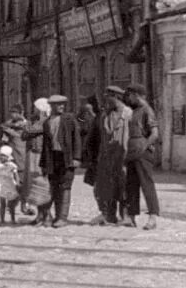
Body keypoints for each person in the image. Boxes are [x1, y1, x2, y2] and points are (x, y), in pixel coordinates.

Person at [88, 85, 131, 225]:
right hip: (106, 157)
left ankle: (126, 216)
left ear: (116, 97)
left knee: (124, 187)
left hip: (123, 156)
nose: (106, 100)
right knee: (106, 187)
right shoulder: (104, 115)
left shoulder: (129, 114)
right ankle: (109, 215)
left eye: (108, 97)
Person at [38, 94, 81, 228]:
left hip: (66, 158)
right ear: (51, 106)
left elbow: (77, 140)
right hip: (53, 158)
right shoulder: (46, 122)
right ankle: (52, 216)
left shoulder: (69, 119)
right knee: (53, 188)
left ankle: (62, 217)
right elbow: (45, 145)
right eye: (58, 104)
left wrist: (76, 158)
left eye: (63, 104)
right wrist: (44, 164)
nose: (61, 106)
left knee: (65, 187)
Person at [123, 83, 161, 230]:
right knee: (131, 185)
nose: (128, 98)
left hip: (142, 152)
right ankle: (131, 217)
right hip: (131, 152)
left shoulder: (147, 110)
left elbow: (154, 133)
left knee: (147, 184)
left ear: (136, 95)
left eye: (130, 95)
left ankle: (152, 217)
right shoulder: (134, 110)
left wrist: (143, 146)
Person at [0, 145, 21, 225]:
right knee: (2, 204)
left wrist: (17, 184)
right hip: (1, 186)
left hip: (10, 185)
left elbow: (16, 175)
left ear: (8, 157)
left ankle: (13, 219)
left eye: (4, 156)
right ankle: (2, 220)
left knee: (11, 205)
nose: (2, 157)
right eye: (1, 155)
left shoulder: (12, 165)